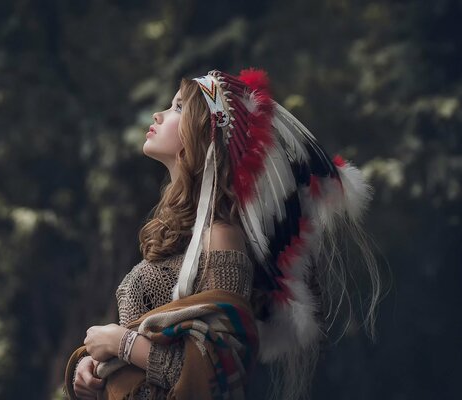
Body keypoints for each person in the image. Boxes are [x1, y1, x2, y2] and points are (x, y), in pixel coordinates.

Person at [64, 68, 382, 400]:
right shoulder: (175, 233)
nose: (158, 114)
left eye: (178, 107)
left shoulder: (220, 236)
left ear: (204, 135)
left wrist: (122, 344)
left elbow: (217, 376)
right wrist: (88, 368)